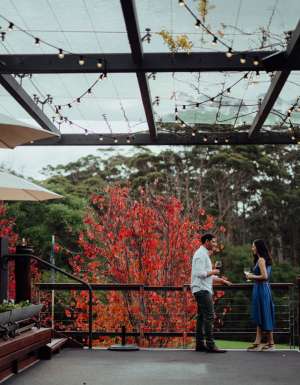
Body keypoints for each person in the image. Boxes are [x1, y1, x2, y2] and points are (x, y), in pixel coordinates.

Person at [191, 233, 231, 353]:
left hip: (202, 288)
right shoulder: (200, 255)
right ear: (207, 242)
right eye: (213, 242)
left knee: (202, 317)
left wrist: (221, 280)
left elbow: (207, 276)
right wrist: (214, 271)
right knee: (209, 317)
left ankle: (199, 344)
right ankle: (210, 345)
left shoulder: (204, 255)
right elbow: (200, 274)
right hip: (202, 290)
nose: (215, 244)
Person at [245, 239, 275, 352]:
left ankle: (271, 343)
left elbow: (265, 276)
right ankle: (257, 342)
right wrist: (253, 276)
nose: (252, 248)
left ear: (258, 247)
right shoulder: (260, 260)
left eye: (253, 246)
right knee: (260, 314)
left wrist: (251, 276)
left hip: (261, 289)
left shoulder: (261, 260)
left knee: (265, 314)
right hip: (260, 289)